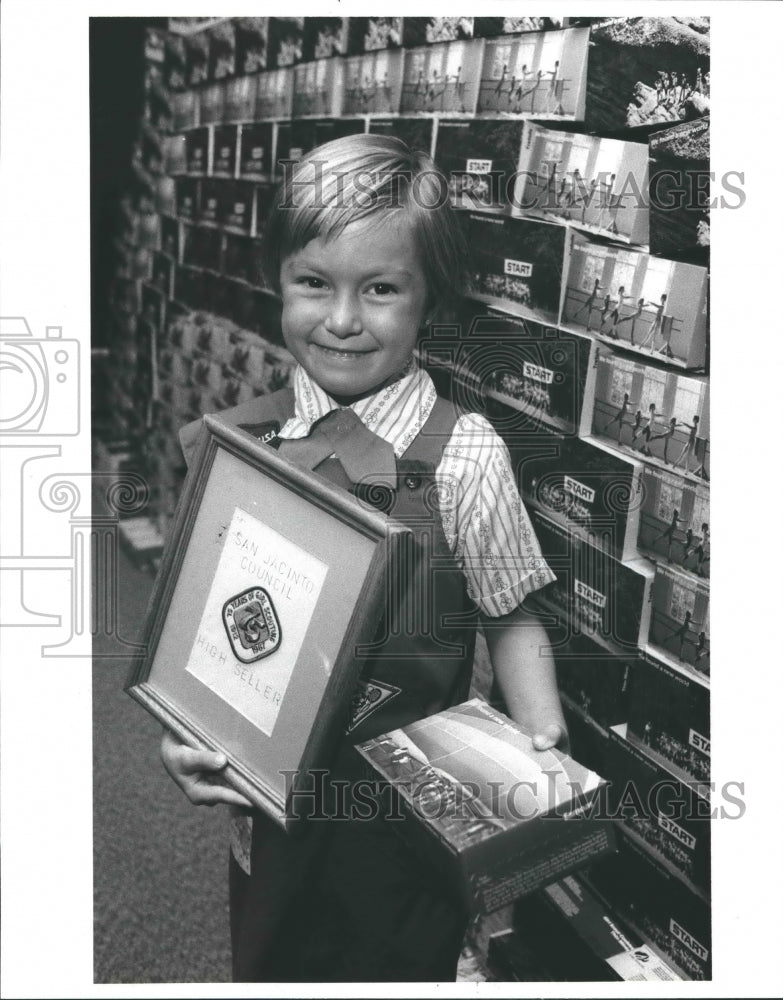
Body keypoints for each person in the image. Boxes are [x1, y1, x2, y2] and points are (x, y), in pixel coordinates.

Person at [159, 134, 566, 983]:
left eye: (379, 289)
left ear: (429, 303)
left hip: (414, 820)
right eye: (314, 283)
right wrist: (184, 736)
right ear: (277, 281)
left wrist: (539, 740)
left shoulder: (464, 454)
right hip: (272, 819)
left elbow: (509, 612)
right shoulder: (238, 448)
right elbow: (210, 643)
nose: (342, 320)